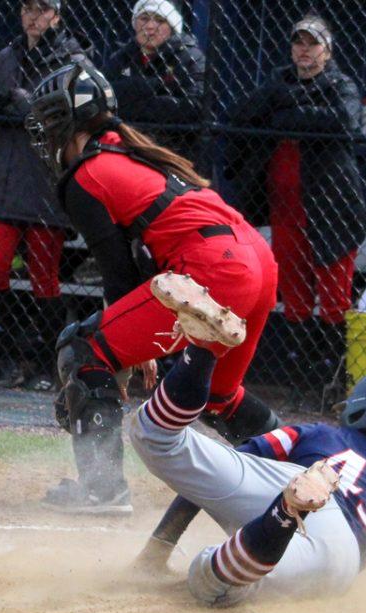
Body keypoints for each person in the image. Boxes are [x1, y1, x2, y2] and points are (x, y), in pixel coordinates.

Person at [129, 282, 366, 606]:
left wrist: (159, 546)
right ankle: (284, 515)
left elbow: (204, 481)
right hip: (336, 557)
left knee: (158, 437)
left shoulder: (322, 434)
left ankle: (202, 351)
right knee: (211, 580)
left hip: (296, 476)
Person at [26, 61, 283, 514]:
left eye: (51, 124)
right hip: (255, 260)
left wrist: (125, 352)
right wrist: (134, 343)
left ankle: (102, 491)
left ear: (72, 123)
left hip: (215, 265)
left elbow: (117, 272)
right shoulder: (125, 151)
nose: (47, 138)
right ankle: (301, 474)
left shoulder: (86, 174)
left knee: (82, 348)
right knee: (219, 396)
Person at [225, 15, 366, 405]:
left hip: (332, 208)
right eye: (298, 43)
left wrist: (286, 113)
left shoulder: (340, 85)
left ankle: (331, 383)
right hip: (284, 207)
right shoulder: (279, 81)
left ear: (328, 50)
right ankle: (300, 383)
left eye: (313, 44)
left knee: (334, 295)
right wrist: (292, 106)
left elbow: (345, 121)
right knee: (294, 296)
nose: (304, 50)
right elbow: (240, 113)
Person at [0, 0, 87, 391]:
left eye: (41, 10)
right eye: (27, 9)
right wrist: (5, 104)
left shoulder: (73, 57)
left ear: (57, 13)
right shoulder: (6, 56)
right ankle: (5, 357)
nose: (33, 17)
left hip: (45, 181)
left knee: (44, 277)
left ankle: (44, 363)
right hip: (4, 177)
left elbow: (77, 116)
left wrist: (32, 107)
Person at [103, 0, 206, 162]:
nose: (150, 26)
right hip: (124, 147)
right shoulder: (122, 56)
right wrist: (151, 88)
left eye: (159, 20)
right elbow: (103, 97)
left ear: (172, 26)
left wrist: (130, 101)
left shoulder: (190, 57)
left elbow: (195, 106)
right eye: (144, 18)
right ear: (135, 23)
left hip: (173, 151)